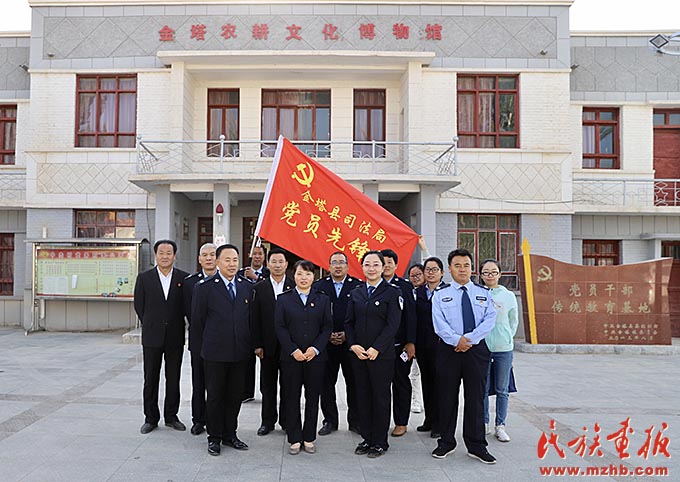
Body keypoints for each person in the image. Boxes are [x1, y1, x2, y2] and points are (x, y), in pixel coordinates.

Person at [431, 248, 497, 463]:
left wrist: (468, 340)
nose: (462, 269)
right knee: (447, 397)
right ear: (449, 269)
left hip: (475, 351)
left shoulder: (484, 293)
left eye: (466, 265)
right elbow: (439, 324)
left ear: (472, 268)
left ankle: (477, 445)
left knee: (476, 399)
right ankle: (446, 442)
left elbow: (489, 320)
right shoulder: (441, 295)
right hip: (448, 351)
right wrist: (456, 340)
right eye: (457, 265)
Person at [191, 244, 253, 456]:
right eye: (227, 259)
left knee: (235, 396)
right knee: (216, 396)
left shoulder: (246, 286)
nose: (232, 264)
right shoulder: (205, 287)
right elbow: (197, 323)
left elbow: (249, 319)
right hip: (214, 353)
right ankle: (214, 437)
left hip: (239, 353)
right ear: (217, 262)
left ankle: (230, 434)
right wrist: (200, 351)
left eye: (235, 259)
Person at [345, 251, 402, 458]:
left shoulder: (392, 292)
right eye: (367, 264)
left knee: (380, 397)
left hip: (382, 355)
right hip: (359, 354)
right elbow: (348, 322)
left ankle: (379, 441)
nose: (371, 268)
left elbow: (392, 324)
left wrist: (377, 347)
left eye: (376, 265)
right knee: (363, 396)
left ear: (383, 267)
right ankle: (366, 438)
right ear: (362, 267)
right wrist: (353, 345)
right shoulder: (357, 292)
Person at [275, 260, 333, 455]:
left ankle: (309, 437)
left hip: (315, 358)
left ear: (314, 277)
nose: (303, 278)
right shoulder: (284, 299)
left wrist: (315, 349)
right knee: (291, 397)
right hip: (291, 358)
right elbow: (280, 327)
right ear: (294, 275)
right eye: (300, 274)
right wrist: (293, 350)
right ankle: (294, 437)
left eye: (308, 274)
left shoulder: (323, 299)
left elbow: (327, 327)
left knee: (312, 398)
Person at [134, 239, 189, 435]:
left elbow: (187, 307)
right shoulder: (144, 278)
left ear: (175, 256)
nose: (165, 256)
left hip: (175, 336)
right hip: (152, 336)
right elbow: (139, 306)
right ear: (155, 255)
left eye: (169, 253)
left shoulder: (184, 278)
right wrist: (152, 322)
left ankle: (171, 416)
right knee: (151, 378)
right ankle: (150, 418)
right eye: (161, 253)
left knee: (173, 377)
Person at [313, 251, 362, 436]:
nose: (338, 266)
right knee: (326, 383)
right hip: (326, 343)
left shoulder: (357, 286)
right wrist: (327, 336)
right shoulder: (319, 286)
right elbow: (315, 316)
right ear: (329, 266)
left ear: (348, 266)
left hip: (351, 344)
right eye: (334, 262)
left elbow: (360, 317)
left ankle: (355, 421)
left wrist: (348, 336)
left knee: (354, 383)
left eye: (342, 262)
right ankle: (330, 420)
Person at [251, 248, 294, 436]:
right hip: (267, 347)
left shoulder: (295, 286)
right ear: (268, 264)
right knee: (267, 386)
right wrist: (257, 344)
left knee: (288, 385)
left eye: (280, 262)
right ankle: (267, 422)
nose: (277, 265)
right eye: (274, 262)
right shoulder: (259, 287)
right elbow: (254, 318)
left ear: (286, 264)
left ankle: (286, 421)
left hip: (290, 347)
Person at [480, 258, 519, 443]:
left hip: (503, 348)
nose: (490, 276)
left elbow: (513, 320)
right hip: (482, 347)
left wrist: (507, 337)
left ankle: (500, 425)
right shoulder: (477, 293)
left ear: (500, 274)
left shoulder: (508, 295)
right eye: (486, 272)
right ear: (480, 275)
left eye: (493, 272)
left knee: (502, 389)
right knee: (483, 388)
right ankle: (484, 423)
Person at [380, 249, 417, 438]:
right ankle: (380, 421)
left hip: (399, 345)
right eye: (383, 262)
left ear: (396, 265)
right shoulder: (370, 285)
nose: (386, 265)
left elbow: (411, 315)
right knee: (380, 385)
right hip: (377, 348)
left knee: (401, 382)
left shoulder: (404, 286)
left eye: (389, 262)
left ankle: (401, 422)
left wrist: (410, 342)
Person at [183, 242, 217, 436]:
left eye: (213, 255)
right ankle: (198, 420)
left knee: (217, 384)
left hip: (220, 342)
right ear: (199, 259)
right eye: (205, 255)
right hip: (198, 340)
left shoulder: (227, 280)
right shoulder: (190, 282)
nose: (209, 258)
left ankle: (215, 420)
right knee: (199, 382)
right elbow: (188, 310)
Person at [414, 257, 446, 439]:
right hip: (423, 345)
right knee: (427, 382)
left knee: (441, 385)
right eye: (428, 269)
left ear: (442, 272)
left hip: (442, 346)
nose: (431, 273)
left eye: (435, 269)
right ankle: (429, 419)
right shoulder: (417, 292)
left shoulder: (448, 291)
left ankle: (440, 424)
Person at [238, 245, 269, 403]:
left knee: (266, 362)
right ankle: (246, 392)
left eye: (260, 254)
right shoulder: (240, 272)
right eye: (254, 253)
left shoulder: (269, 273)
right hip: (245, 323)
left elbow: (269, 288)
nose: (257, 256)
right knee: (247, 361)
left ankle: (266, 393)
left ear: (264, 256)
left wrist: (256, 278)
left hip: (263, 323)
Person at [407, 263, 425, 415]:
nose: (415, 278)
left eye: (418, 274)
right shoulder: (408, 291)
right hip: (412, 340)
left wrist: (424, 248)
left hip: (427, 341)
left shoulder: (430, 292)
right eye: (412, 275)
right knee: (414, 373)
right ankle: (416, 401)